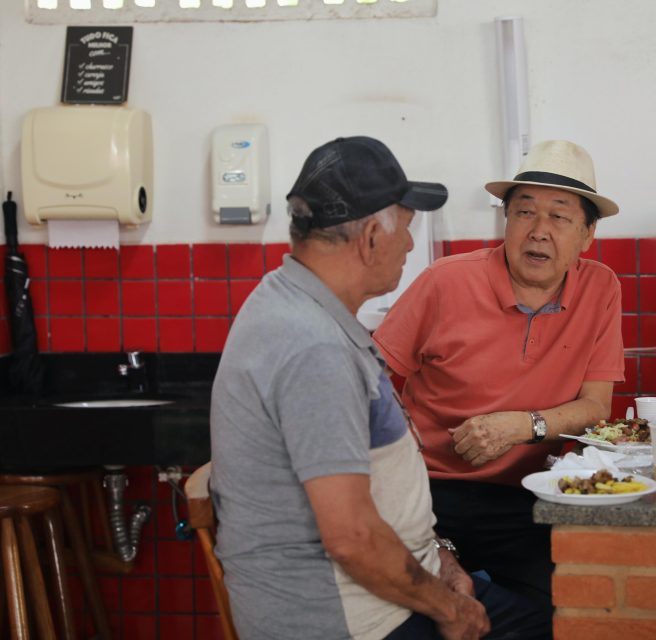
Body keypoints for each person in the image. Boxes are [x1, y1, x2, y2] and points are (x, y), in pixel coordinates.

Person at [210, 136, 551, 640]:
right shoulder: (313, 349)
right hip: (344, 620)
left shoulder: (292, 303)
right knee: (562, 626)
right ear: (371, 236)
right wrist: (449, 608)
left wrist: (442, 558)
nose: (411, 245)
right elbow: (351, 538)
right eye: (407, 229)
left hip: (378, 593)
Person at [372, 139, 624, 617]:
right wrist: (398, 451)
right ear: (505, 222)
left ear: (587, 235)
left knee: (567, 611)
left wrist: (519, 426)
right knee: (419, 614)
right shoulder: (445, 281)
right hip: (428, 491)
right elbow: (370, 382)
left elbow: (596, 407)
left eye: (560, 217)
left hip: (530, 496)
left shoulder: (600, 288)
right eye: (524, 213)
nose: (539, 231)